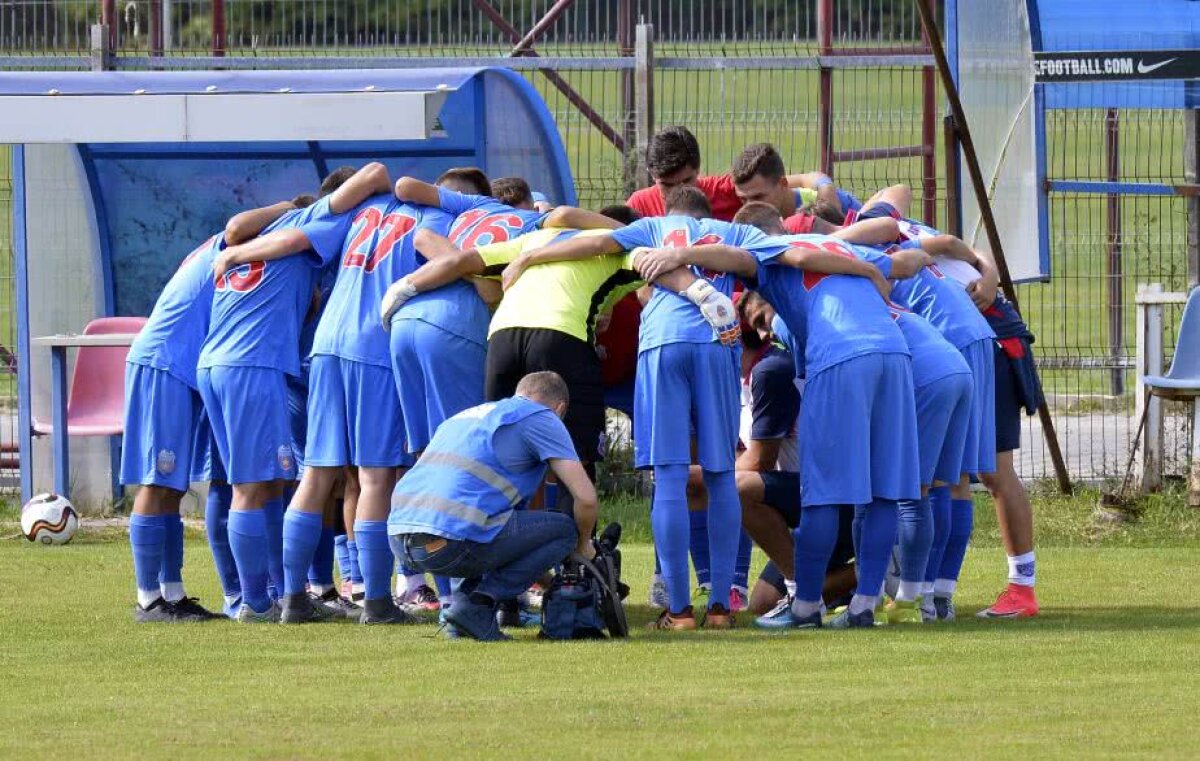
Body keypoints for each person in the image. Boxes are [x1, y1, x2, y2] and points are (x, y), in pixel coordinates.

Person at [644, 201, 924, 628]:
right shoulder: (844, 249)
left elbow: (785, 257)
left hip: (840, 355)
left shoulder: (770, 249)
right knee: (885, 490)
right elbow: (908, 262)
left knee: (824, 493)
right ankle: (865, 605)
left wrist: (679, 255)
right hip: (894, 351)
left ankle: (807, 605)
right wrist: (886, 261)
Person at [195, 171, 365, 624]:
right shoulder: (318, 226)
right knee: (253, 488)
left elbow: (238, 229)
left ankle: (269, 593)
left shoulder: (268, 232)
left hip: (220, 361)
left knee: (265, 482)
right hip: (253, 365)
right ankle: (254, 602)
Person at [120, 199, 292, 622]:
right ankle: (147, 598)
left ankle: (171, 595)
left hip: (183, 367)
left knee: (173, 485)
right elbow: (235, 227)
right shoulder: (229, 242)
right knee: (156, 480)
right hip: (165, 362)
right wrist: (290, 207)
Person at [388, 371, 598, 642]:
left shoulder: (469, 415)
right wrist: (582, 545)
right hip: (450, 540)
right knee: (563, 530)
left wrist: (542, 578)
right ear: (560, 408)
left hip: (400, 540)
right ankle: (479, 604)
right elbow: (586, 498)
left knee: (482, 527)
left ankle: (460, 615)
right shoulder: (542, 417)